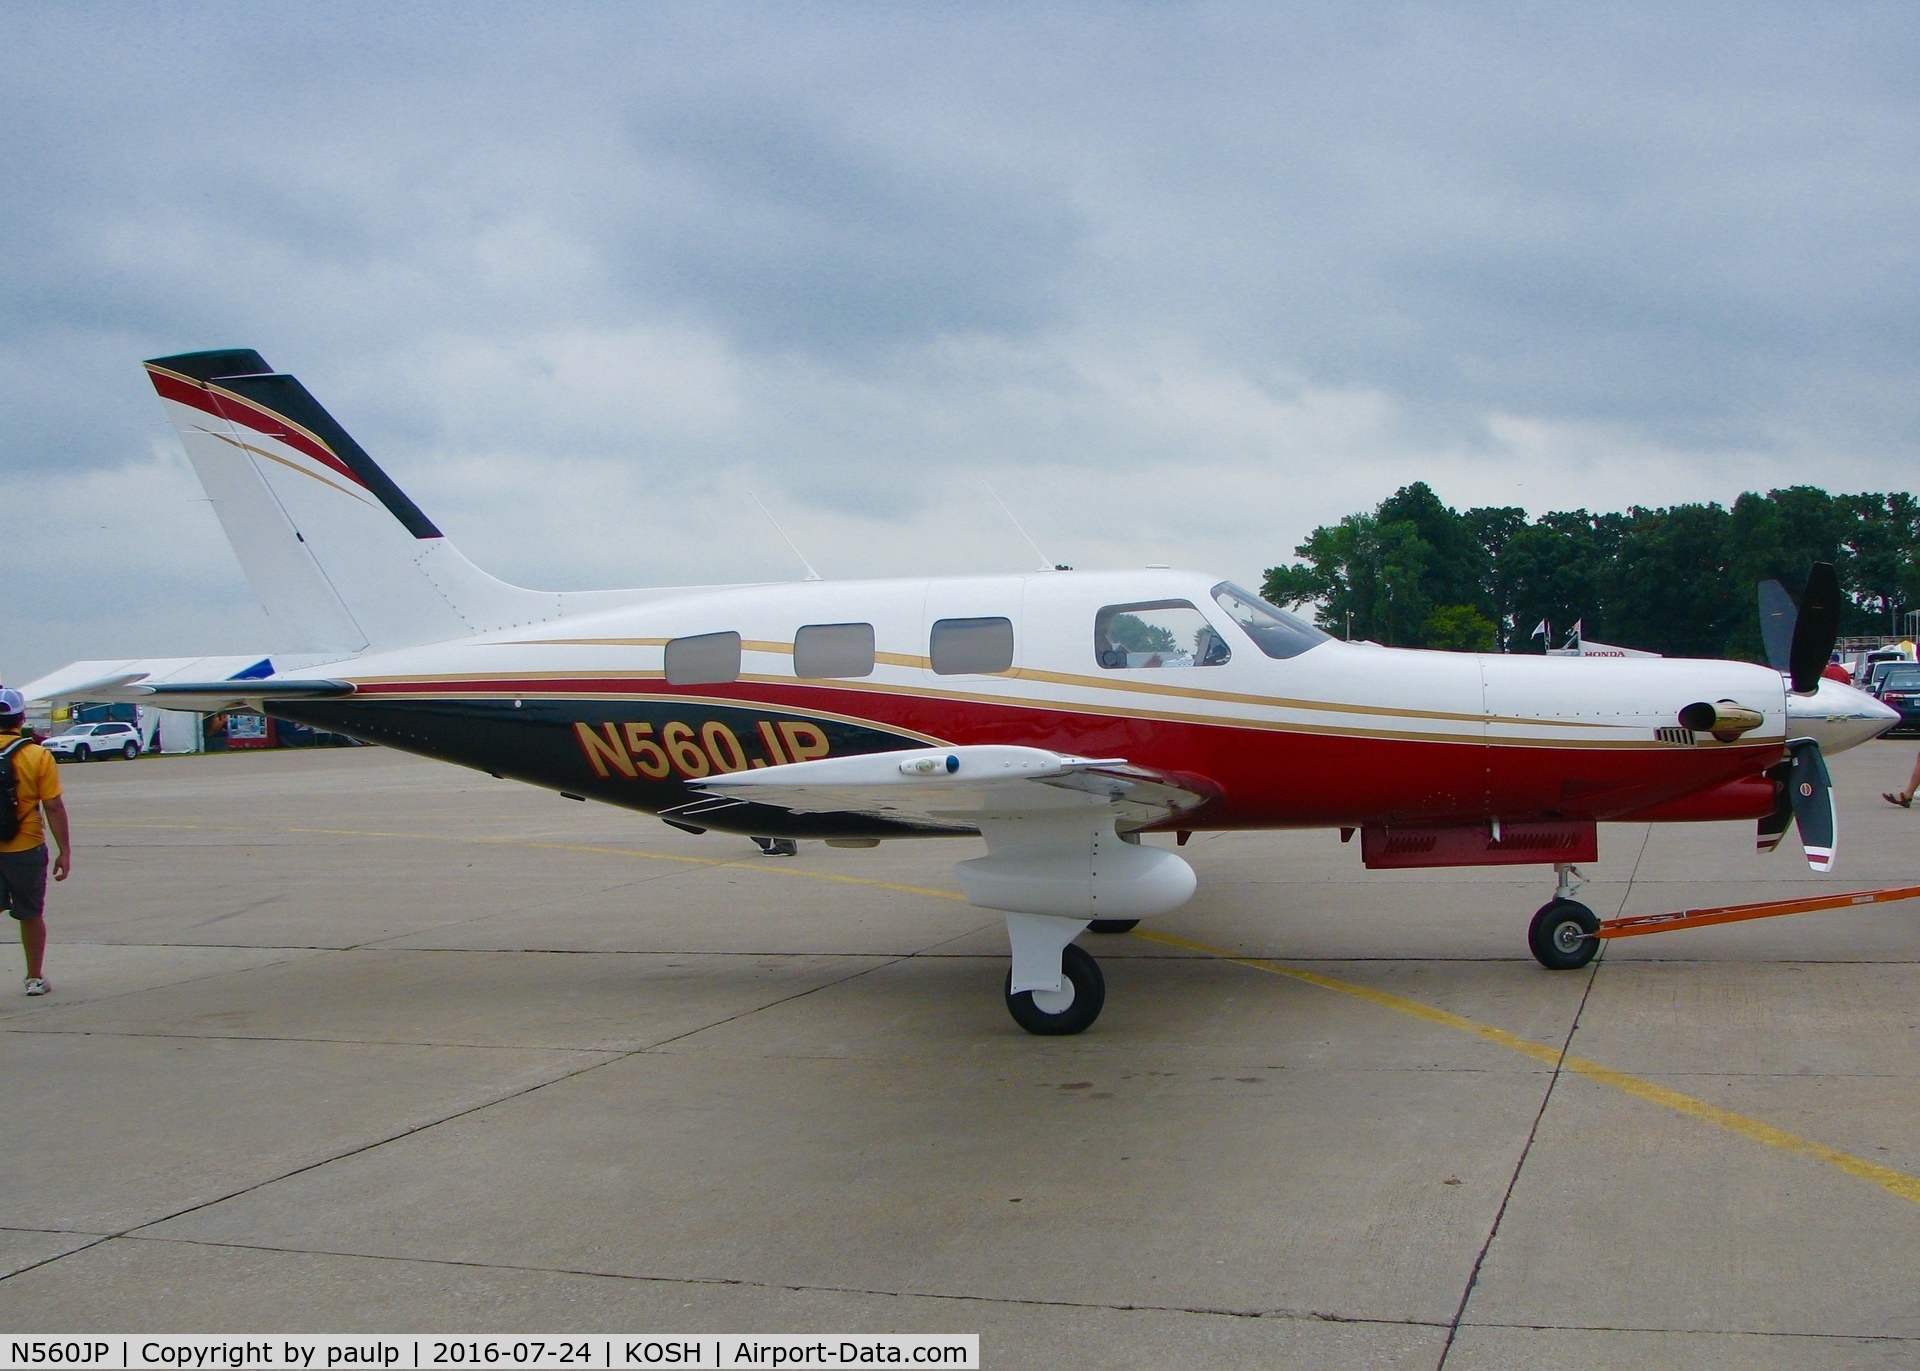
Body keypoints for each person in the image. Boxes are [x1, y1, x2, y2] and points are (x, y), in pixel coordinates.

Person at [0, 689, 70, 994]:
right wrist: (64, 851)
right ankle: (34, 977)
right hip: (25, 846)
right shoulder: (37, 754)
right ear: (22, 718)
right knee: (30, 913)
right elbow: (53, 806)